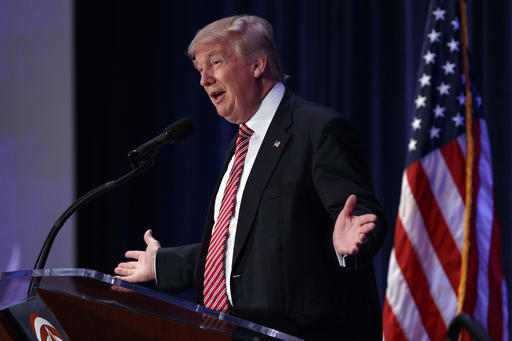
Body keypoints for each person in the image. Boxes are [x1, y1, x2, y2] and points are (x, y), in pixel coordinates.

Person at [115, 15, 385, 340]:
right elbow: (241, 247)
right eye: (200, 69)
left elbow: (359, 213)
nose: (204, 79)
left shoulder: (316, 129)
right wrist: (162, 265)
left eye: (215, 62)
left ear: (257, 65)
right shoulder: (243, 142)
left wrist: (350, 243)